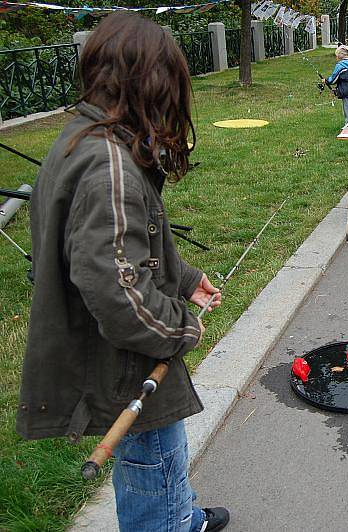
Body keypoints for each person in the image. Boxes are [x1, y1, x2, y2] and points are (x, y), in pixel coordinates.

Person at [16, 12, 229, 532]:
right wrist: (180, 327)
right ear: (153, 81)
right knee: (152, 452)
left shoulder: (85, 137)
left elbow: (130, 247)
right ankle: (165, 521)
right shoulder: (107, 165)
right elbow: (116, 290)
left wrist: (182, 281)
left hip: (124, 349)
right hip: (123, 357)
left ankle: (181, 516)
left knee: (164, 441)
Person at [327, 45, 348, 125]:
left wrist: (326, 81)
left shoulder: (340, 66)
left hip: (346, 90)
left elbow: (333, 79)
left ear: (339, 56)